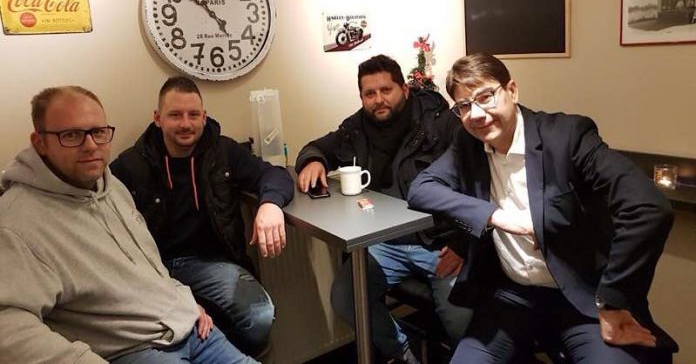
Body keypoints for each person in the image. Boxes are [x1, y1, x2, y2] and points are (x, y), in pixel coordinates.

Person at [407, 53, 678, 363]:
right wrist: (498, 217)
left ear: (512, 90)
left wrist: (613, 300)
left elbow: (650, 208)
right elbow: (421, 189)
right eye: (464, 106)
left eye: (485, 97)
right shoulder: (468, 143)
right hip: (512, 294)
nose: (477, 114)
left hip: (580, 299)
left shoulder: (566, 136)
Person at [0, 86, 256, 363]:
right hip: (133, 350)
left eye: (98, 132)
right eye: (71, 135)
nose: (90, 145)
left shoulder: (111, 187)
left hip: (189, 327)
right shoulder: (17, 221)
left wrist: (183, 299)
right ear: (40, 142)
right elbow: (8, 326)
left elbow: (147, 262)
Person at [295, 54, 472, 363]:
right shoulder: (357, 128)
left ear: (403, 89)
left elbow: (477, 183)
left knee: (461, 322)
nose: (379, 100)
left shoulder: (440, 122)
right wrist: (312, 160)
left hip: (440, 243)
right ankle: (403, 353)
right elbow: (319, 146)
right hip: (385, 243)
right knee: (345, 297)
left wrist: (463, 244)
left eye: (385, 90)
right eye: (369, 93)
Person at [110, 76, 293, 358]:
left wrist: (270, 205)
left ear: (204, 117)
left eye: (193, 114)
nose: (186, 123)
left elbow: (275, 174)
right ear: (157, 119)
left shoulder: (223, 151)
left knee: (260, 317)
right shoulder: (131, 164)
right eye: (175, 115)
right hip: (154, 270)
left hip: (213, 263)